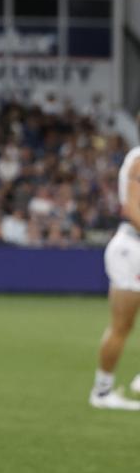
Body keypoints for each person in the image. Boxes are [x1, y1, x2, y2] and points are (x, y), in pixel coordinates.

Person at [90, 140, 140, 411]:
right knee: (122, 325)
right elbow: (132, 210)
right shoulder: (138, 158)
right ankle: (102, 392)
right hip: (132, 249)